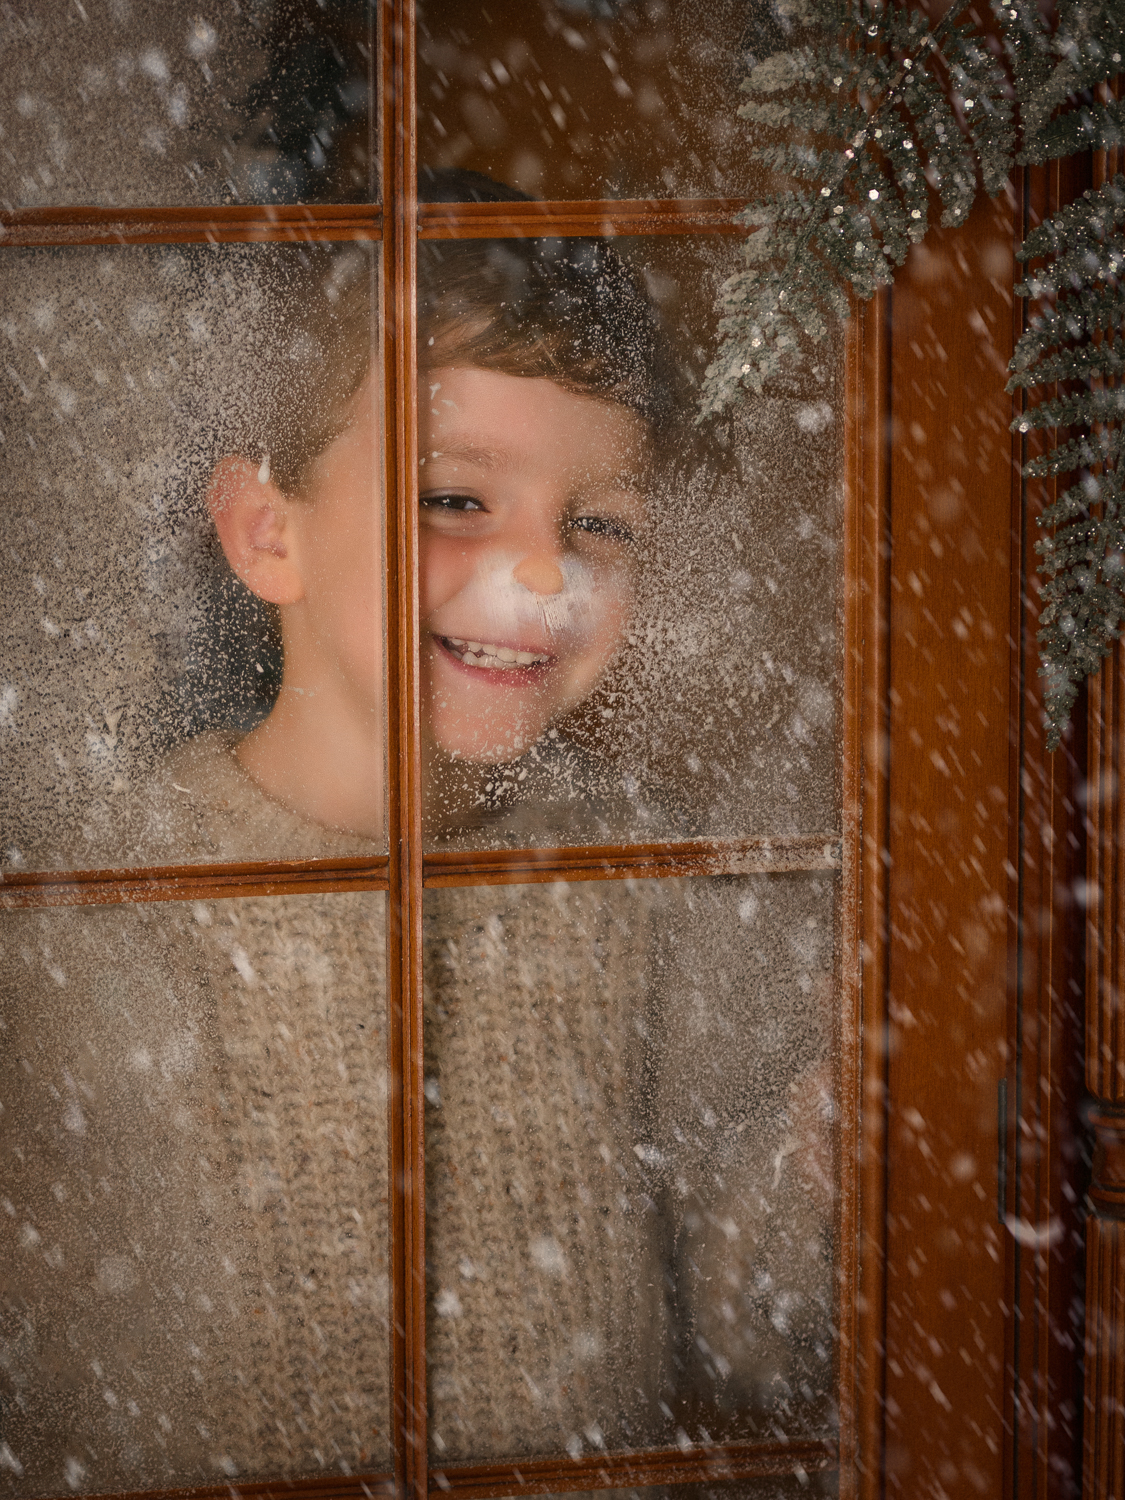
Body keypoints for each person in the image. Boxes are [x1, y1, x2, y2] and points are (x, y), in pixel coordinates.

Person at [0, 178, 834, 1491]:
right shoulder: (93, 909)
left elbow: (741, 1332)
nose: (545, 570)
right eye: (457, 500)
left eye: (598, 521)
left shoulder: (637, 866)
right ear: (266, 531)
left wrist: (819, 1154)